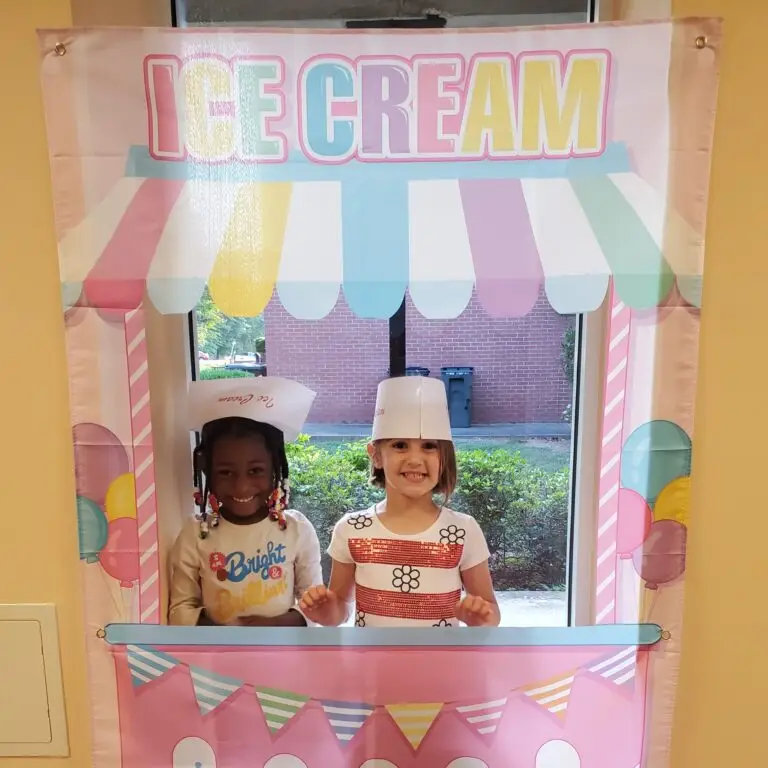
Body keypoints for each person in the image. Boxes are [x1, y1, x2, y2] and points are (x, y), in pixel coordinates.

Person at [300, 376, 500, 628]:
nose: (415, 459)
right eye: (400, 445)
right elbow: (340, 608)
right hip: (371, 665)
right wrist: (326, 611)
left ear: (444, 457)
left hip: (441, 665)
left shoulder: (463, 530)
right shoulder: (351, 528)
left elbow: (491, 611)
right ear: (376, 455)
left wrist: (480, 617)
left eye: (429, 446)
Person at [169, 376, 322, 627]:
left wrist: (273, 626)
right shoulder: (195, 535)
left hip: (283, 658)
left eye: (255, 471)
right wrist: (229, 636)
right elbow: (180, 609)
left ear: (276, 470)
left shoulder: (296, 530)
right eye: (225, 472)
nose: (241, 486)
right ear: (206, 471)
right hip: (216, 659)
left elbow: (314, 606)